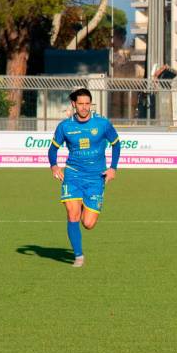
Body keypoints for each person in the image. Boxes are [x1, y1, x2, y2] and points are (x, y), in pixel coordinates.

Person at [48, 88, 121, 267]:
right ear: (74, 104)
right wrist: (54, 165)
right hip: (73, 174)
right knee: (73, 214)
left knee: (88, 223)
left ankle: (83, 206)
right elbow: (52, 149)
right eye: (80, 104)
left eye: (87, 103)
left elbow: (116, 144)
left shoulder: (102, 124)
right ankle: (78, 256)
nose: (84, 107)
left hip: (96, 177)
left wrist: (113, 168)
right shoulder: (65, 126)